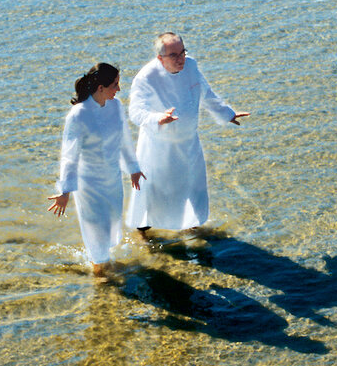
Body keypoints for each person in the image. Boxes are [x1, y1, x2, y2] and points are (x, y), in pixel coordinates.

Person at [125, 32, 248, 235]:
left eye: (182, 52)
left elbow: (206, 94)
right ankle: (144, 236)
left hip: (189, 142)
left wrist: (227, 114)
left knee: (193, 187)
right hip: (159, 147)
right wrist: (157, 118)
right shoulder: (146, 77)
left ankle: (194, 231)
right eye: (174, 55)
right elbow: (135, 112)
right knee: (153, 193)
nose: (180, 58)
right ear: (160, 58)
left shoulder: (191, 66)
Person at [47, 63, 145, 278]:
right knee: (96, 233)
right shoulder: (78, 115)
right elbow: (69, 156)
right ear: (100, 88)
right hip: (88, 184)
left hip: (112, 179)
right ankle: (100, 276)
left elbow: (125, 139)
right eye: (115, 85)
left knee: (111, 228)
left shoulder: (116, 106)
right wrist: (65, 191)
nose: (118, 89)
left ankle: (101, 263)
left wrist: (133, 168)